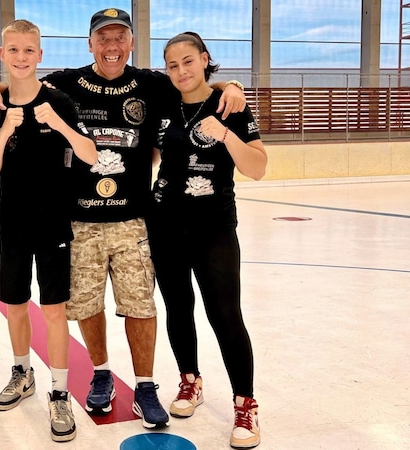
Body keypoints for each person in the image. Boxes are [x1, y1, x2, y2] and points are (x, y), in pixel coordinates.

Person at [0, 8, 247, 430]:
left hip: (135, 220)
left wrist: (230, 85)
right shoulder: (67, 83)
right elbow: (21, 81)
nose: (111, 46)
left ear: (131, 43)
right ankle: (101, 374)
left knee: (140, 306)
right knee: (87, 305)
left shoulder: (152, 83)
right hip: (79, 221)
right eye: (103, 38)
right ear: (90, 44)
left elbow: (193, 85)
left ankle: (144, 387)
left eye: (119, 37)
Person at [0, 19, 98, 443]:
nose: (22, 57)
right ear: (2, 54)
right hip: (12, 224)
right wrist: (6, 128)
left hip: (53, 225)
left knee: (53, 310)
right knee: (14, 304)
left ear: (40, 56)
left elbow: (90, 154)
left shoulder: (60, 100)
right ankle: (22, 372)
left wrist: (61, 125)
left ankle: (60, 391)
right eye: (14, 50)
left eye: (29, 50)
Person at [149, 32, 266, 448]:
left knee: (224, 314)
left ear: (204, 59)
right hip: (164, 225)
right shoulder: (162, 99)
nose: (181, 71)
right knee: (178, 310)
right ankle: (189, 382)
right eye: (172, 64)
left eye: (188, 61)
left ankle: (245, 405)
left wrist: (226, 134)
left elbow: (258, 168)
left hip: (213, 228)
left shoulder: (230, 104)